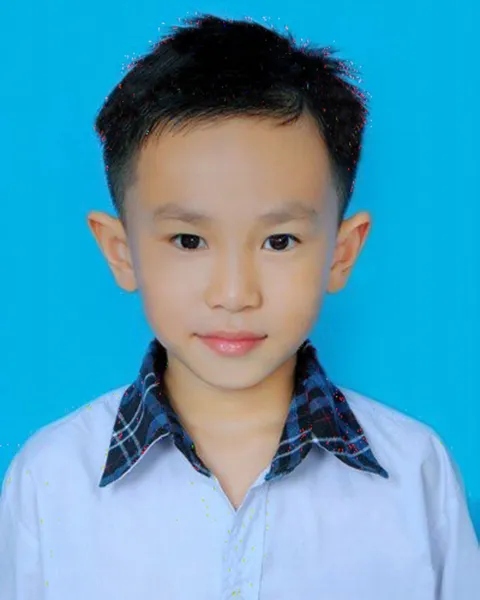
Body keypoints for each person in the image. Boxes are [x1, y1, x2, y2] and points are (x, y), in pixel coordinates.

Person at [0, 13, 478, 600]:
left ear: (342, 252)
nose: (234, 294)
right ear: (121, 253)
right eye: (188, 240)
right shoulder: (50, 481)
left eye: (279, 241)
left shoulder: (416, 474)